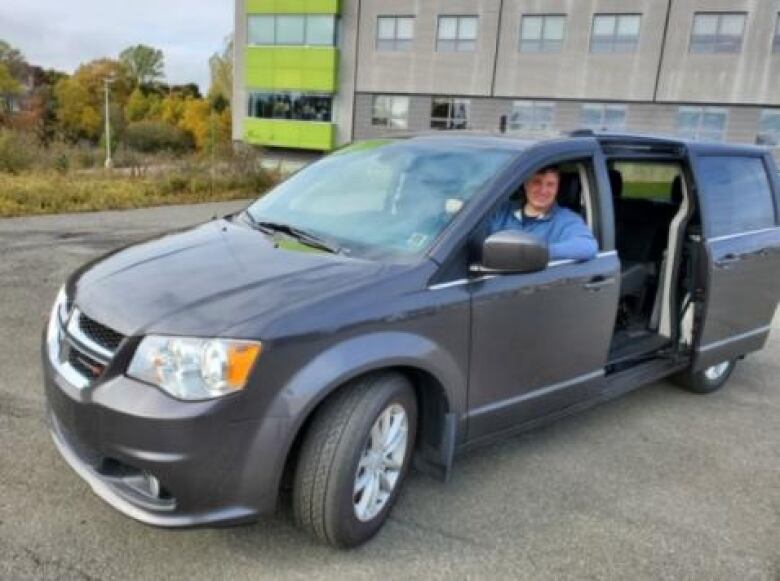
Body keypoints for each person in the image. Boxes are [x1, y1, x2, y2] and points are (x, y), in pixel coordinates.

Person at [487, 166, 598, 261]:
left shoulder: (567, 220)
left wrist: (537, 252)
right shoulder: (501, 210)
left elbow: (587, 246)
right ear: (526, 184)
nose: (543, 191)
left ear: (557, 188)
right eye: (537, 182)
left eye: (550, 184)